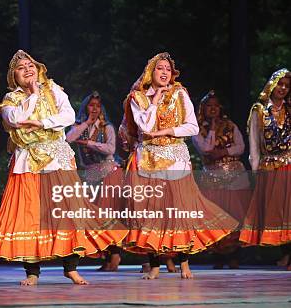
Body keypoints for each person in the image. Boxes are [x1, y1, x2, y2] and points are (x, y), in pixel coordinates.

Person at [0, 50, 127, 285]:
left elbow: (68, 115)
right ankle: (32, 272)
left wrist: (41, 122)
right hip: (27, 162)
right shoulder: (10, 101)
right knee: (29, 215)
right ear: (14, 77)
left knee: (67, 212)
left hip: (57, 159)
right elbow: (14, 119)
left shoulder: (54, 90)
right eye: (21, 68)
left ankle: (70, 267)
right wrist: (32, 95)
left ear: (38, 69)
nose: (27, 69)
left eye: (30, 65)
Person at [123, 52, 236, 279]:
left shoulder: (180, 94)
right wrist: (154, 101)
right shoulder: (138, 97)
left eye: (167, 69)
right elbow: (145, 126)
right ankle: (155, 265)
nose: (164, 72)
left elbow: (192, 127)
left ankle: (184, 262)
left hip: (176, 159)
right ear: (150, 72)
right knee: (150, 213)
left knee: (179, 211)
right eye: (159, 68)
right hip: (147, 159)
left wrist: (166, 131)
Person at [192, 91, 251, 269]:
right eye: (209, 106)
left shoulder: (230, 125)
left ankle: (234, 256)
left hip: (234, 175)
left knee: (235, 217)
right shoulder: (197, 129)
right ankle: (218, 257)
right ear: (203, 108)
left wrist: (225, 152)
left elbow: (240, 147)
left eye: (216, 105)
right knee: (216, 218)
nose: (213, 109)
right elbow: (206, 148)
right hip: (212, 176)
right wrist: (211, 128)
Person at [66, 91, 123, 271]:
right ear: (85, 107)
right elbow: (68, 139)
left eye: (98, 106)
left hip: (109, 174)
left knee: (110, 216)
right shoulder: (79, 126)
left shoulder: (107, 127)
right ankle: (106, 257)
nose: (95, 108)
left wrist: (88, 144)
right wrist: (87, 123)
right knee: (95, 218)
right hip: (90, 176)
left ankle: (114, 257)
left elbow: (110, 149)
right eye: (91, 105)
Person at [240, 69, 291, 270]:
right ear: (272, 84)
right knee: (276, 211)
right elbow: (254, 143)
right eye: (280, 84)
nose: (283, 89)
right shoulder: (259, 110)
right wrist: (255, 171)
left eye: (287, 86)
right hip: (269, 166)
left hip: (289, 163)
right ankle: (285, 253)